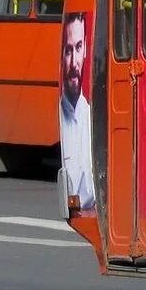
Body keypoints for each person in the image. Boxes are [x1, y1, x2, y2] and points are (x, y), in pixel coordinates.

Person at [59, 12, 95, 211]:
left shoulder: (91, 115)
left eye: (78, 47)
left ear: (86, 51)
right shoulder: (61, 115)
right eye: (68, 50)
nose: (73, 63)